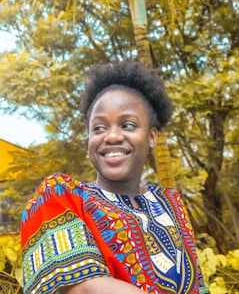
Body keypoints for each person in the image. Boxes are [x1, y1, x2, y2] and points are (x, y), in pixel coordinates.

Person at [20, 60, 209, 294]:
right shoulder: (60, 196)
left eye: (128, 125)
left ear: (151, 137)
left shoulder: (171, 203)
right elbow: (86, 288)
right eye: (98, 128)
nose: (111, 137)